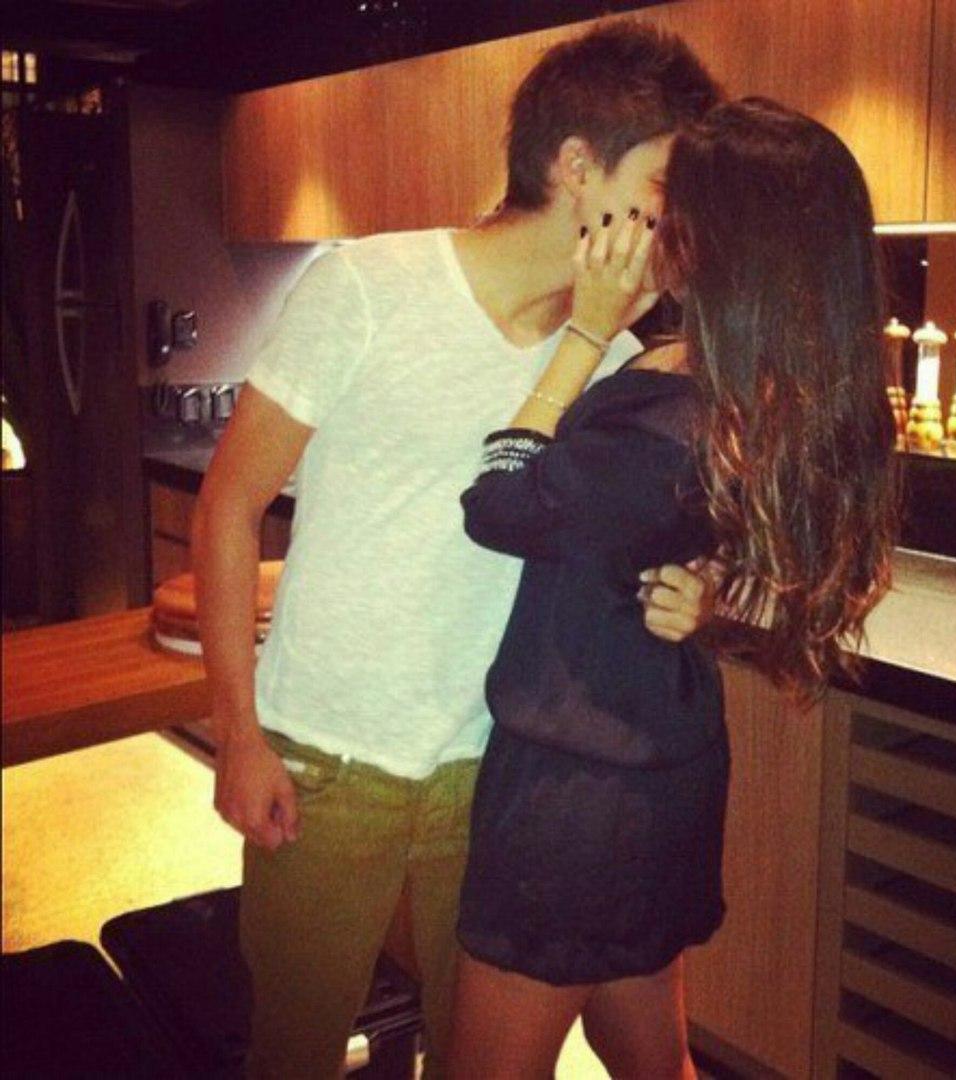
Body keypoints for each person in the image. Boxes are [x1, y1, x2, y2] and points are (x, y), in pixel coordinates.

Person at [192, 21, 720, 1079]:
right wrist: (239, 734)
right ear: (578, 168)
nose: (679, 222)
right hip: (325, 756)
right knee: (293, 1048)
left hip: (496, 770)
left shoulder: (613, 361)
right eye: (665, 186)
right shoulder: (369, 286)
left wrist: (694, 590)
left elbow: (622, 555)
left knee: (473, 1056)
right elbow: (228, 506)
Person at [448, 97, 898, 1079]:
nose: (652, 225)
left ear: (716, 241)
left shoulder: (662, 421)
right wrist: (716, 601)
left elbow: (498, 506)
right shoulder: (756, 391)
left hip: (578, 790)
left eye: (669, 205)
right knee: (650, 1053)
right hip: (658, 765)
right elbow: (722, 547)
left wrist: (584, 333)